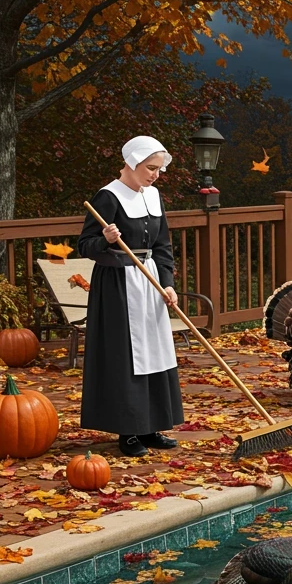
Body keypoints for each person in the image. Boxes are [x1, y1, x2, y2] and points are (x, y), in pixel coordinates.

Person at [78, 136, 184, 457]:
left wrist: (167, 283)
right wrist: (106, 240)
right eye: (151, 168)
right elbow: (85, 245)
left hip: (149, 280)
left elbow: (163, 247)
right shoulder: (108, 197)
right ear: (132, 162)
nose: (155, 175)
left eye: (159, 170)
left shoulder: (153, 196)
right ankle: (128, 431)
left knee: (154, 352)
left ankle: (151, 427)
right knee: (126, 356)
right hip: (118, 286)